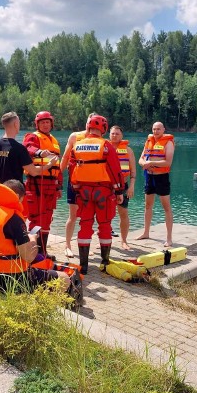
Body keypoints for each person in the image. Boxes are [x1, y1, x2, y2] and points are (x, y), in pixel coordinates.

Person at [0, 179, 70, 293]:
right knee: (64, 278)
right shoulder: (13, 218)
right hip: (9, 280)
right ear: (16, 196)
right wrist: (33, 239)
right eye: (21, 199)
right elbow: (28, 256)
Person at [70, 114, 124, 274]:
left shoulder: (77, 146)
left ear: (88, 127)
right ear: (104, 129)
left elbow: (72, 168)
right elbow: (115, 170)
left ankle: (84, 266)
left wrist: (75, 186)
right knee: (105, 225)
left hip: (84, 192)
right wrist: (119, 190)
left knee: (85, 225)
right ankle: (105, 261)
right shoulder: (106, 146)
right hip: (104, 193)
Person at [0, 112, 57, 216]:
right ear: (16, 124)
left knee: (0, 219)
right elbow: (34, 172)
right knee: (16, 220)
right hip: (14, 193)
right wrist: (49, 164)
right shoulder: (19, 148)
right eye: (19, 123)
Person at [22, 111, 63, 258]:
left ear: (51, 123)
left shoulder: (54, 141)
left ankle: (43, 252)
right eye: (42, 122)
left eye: (48, 122)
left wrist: (59, 186)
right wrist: (39, 152)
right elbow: (27, 148)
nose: (45, 125)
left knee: (47, 219)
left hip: (51, 184)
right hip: (36, 183)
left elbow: (57, 166)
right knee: (35, 219)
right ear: (37, 124)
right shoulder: (32, 137)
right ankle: (34, 253)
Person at [137, 121, 175, 247]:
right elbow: (141, 158)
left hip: (162, 178)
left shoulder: (168, 143)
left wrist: (150, 164)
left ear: (163, 129)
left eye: (158, 129)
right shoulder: (148, 141)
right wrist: (144, 164)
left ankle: (169, 238)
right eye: (154, 129)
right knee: (147, 206)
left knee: (166, 207)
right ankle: (146, 232)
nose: (156, 131)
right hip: (149, 177)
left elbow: (167, 162)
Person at [59, 121, 91, 259]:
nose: (92, 127)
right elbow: (66, 157)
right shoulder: (74, 137)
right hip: (74, 181)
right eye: (90, 124)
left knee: (88, 216)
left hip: (90, 184)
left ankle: (84, 244)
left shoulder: (101, 141)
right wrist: (58, 177)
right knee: (73, 216)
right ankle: (67, 245)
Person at [109, 125, 136, 250]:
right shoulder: (104, 148)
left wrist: (131, 187)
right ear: (109, 134)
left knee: (123, 213)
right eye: (113, 133)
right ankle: (105, 239)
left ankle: (124, 241)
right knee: (104, 215)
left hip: (122, 185)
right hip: (107, 186)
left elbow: (133, 172)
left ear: (122, 136)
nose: (114, 135)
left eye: (117, 134)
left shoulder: (128, 150)